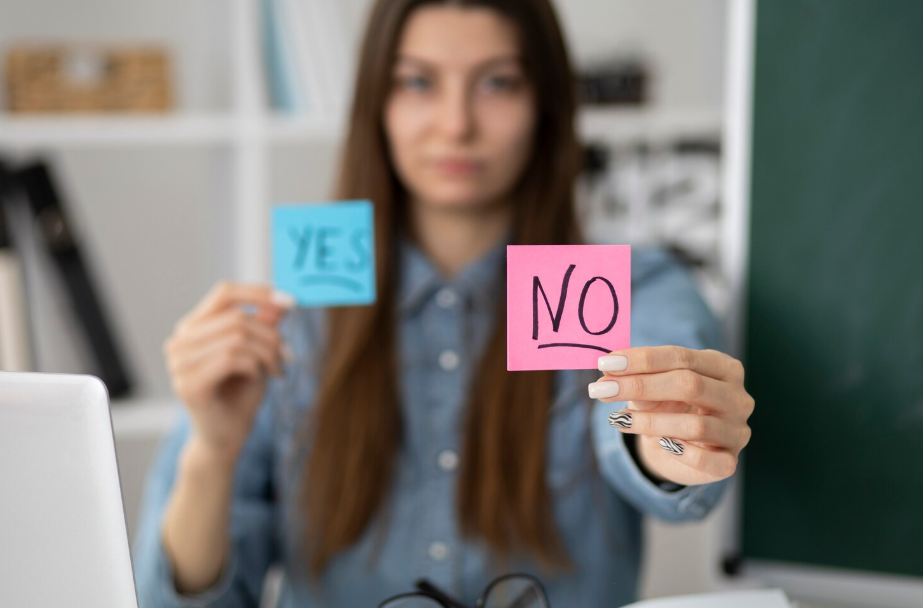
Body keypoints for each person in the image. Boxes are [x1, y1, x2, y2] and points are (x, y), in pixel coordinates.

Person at [133, 0, 755, 606]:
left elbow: (626, 427)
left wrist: (668, 438)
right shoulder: (292, 319)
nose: (456, 123)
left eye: (497, 83)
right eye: (418, 82)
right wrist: (211, 453)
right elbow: (180, 601)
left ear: (546, 104)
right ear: (377, 103)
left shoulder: (631, 289)